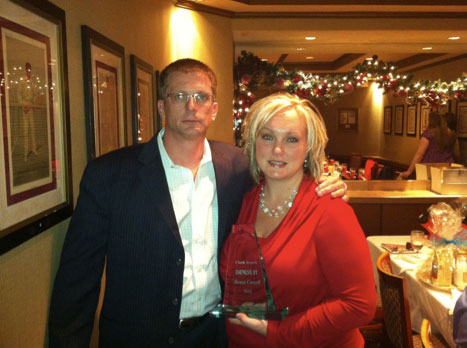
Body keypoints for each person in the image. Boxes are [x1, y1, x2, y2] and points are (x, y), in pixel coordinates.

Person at [48, 59, 348, 348]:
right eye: (179, 96)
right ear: (161, 106)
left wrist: (325, 183)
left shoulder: (240, 166)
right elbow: (77, 280)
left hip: (215, 334)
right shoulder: (109, 174)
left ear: (213, 109)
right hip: (136, 336)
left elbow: (285, 183)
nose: (191, 106)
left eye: (201, 97)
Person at [220, 93, 376, 348]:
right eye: (267, 136)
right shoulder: (244, 200)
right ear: (253, 142)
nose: (277, 149)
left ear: (308, 148)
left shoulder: (329, 210)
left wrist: (279, 331)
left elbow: (359, 305)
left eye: (291, 139)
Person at [400, 111, 461, 179]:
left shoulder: (428, 134)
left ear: (431, 122)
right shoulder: (451, 134)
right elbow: (457, 153)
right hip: (447, 167)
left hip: (429, 168)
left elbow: (420, 154)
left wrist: (409, 171)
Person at [17, 62, 38, 161]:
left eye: (30, 70)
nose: (29, 72)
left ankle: (33, 149)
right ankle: (25, 153)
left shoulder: (32, 82)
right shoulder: (22, 81)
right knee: (26, 131)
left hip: (31, 107)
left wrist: (31, 105)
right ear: (25, 70)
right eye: (27, 70)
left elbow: (35, 95)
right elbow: (19, 95)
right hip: (24, 108)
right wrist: (24, 106)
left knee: (33, 129)